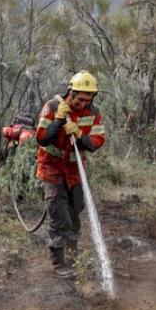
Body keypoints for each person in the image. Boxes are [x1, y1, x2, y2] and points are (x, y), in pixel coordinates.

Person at [34, 71, 107, 277]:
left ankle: (74, 257)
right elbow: (42, 139)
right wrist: (58, 120)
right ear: (71, 92)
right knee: (60, 216)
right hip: (52, 169)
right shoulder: (53, 106)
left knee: (75, 214)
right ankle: (58, 263)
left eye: (88, 99)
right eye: (80, 99)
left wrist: (80, 134)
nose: (83, 103)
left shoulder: (94, 112)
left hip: (75, 171)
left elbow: (96, 143)